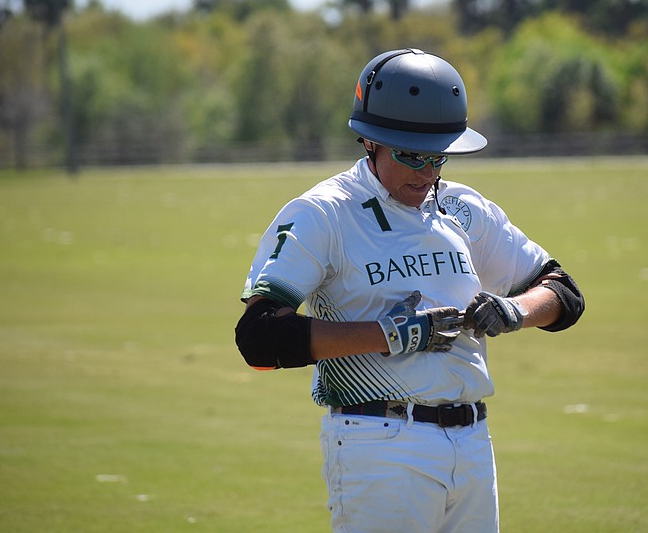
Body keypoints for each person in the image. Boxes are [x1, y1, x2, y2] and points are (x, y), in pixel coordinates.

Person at [234, 48, 585, 533]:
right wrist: (390, 335)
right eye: (411, 155)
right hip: (378, 445)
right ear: (369, 142)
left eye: (439, 156)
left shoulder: (463, 208)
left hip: (473, 444)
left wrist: (513, 311)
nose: (427, 173)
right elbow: (258, 338)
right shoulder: (322, 212)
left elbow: (564, 293)